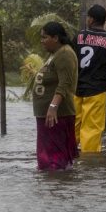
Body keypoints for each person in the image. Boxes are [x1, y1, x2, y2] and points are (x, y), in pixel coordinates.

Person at [73, 4, 106, 153]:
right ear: (104, 20)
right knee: (91, 129)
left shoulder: (78, 37)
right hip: (97, 90)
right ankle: (90, 165)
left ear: (91, 19)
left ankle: (68, 160)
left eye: (87, 17)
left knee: (73, 124)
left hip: (76, 88)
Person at [32, 21, 79, 171]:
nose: (42, 41)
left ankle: (57, 190)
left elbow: (64, 84)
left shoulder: (65, 54)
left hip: (58, 115)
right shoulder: (56, 54)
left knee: (55, 160)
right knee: (48, 158)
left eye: (45, 37)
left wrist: (52, 107)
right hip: (48, 116)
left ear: (56, 38)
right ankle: (55, 187)